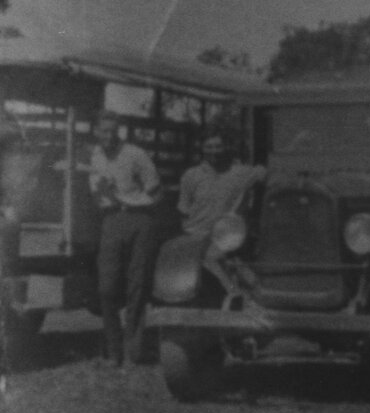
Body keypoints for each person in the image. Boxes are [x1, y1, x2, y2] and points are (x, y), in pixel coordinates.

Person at [89, 111, 162, 366]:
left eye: (112, 131)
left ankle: (134, 350)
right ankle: (113, 350)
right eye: (103, 131)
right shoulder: (95, 156)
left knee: (137, 284)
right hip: (111, 220)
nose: (108, 136)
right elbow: (95, 191)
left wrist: (137, 203)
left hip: (140, 220)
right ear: (96, 131)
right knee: (106, 288)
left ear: (118, 131)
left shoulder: (135, 154)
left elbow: (155, 188)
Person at [178, 131, 266, 292]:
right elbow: (184, 210)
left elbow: (263, 172)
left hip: (226, 234)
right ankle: (246, 288)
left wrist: (262, 173)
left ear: (226, 147)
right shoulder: (191, 176)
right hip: (196, 234)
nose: (214, 151)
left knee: (213, 256)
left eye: (218, 146)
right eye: (209, 146)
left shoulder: (241, 172)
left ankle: (237, 291)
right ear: (202, 149)